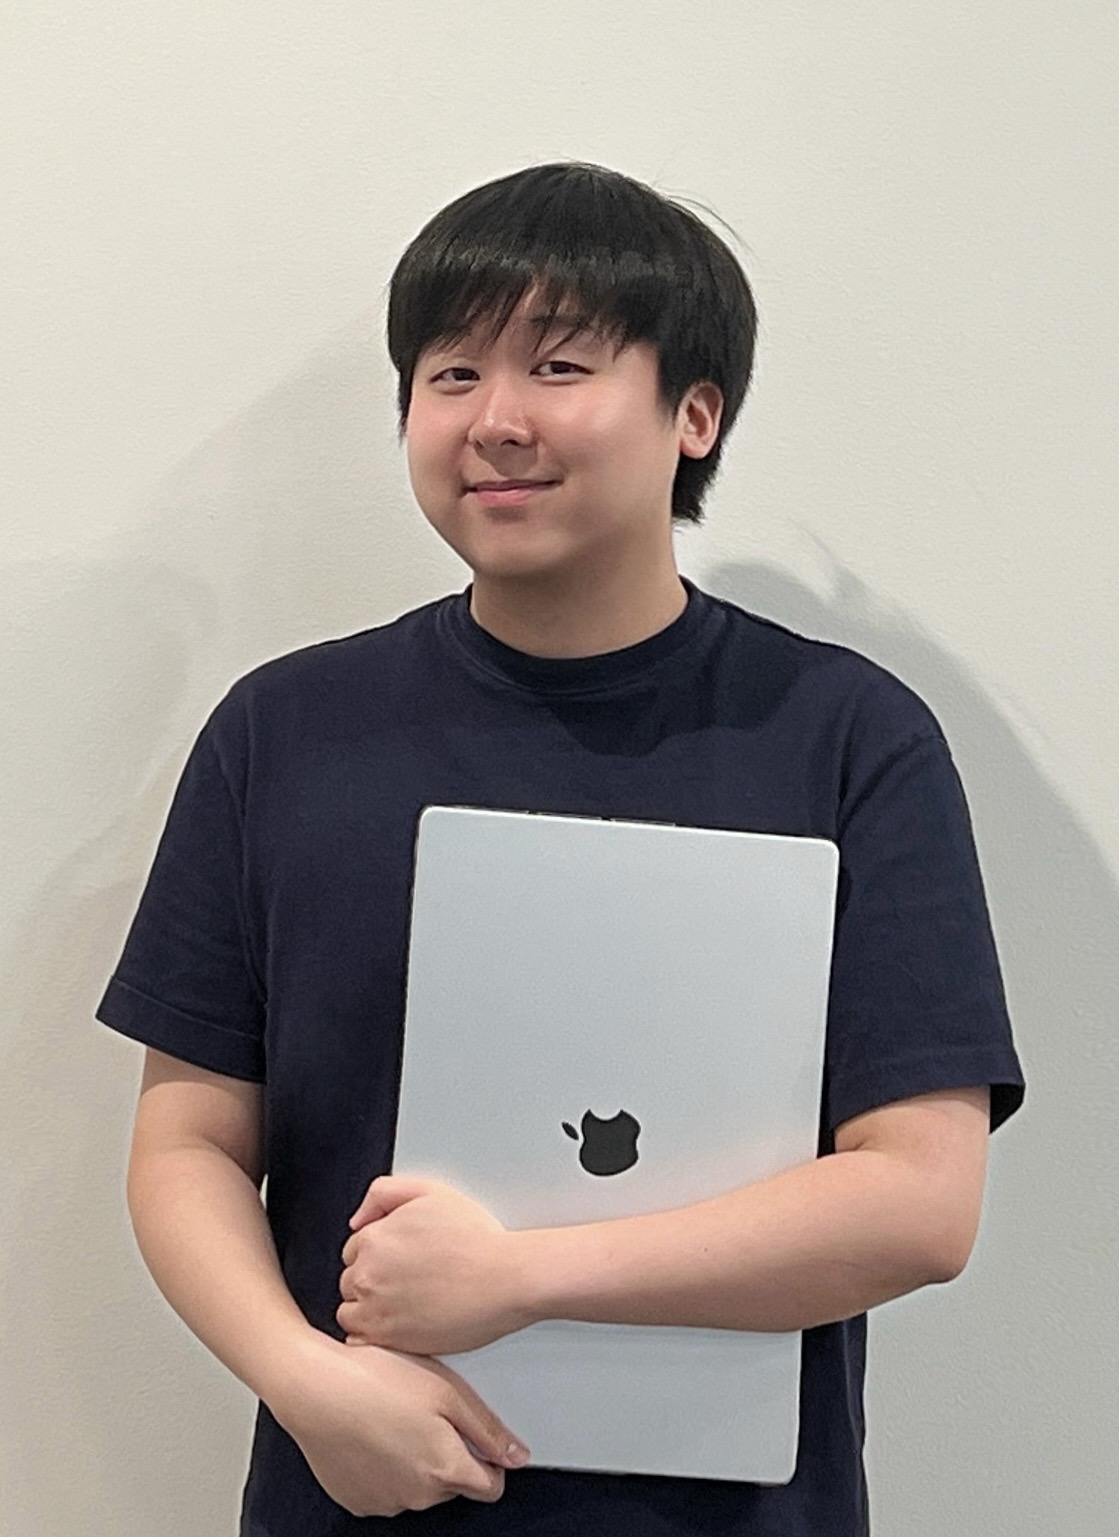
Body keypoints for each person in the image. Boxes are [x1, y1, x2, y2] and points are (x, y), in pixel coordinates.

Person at [96, 160, 1025, 1535]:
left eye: (561, 364)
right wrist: (304, 1379)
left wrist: (519, 1272)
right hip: (355, 1491)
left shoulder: (846, 737)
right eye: (451, 373)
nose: (494, 419)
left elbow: (920, 1203)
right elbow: (187, 1142)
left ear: (693, 411)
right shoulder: (283, 731)